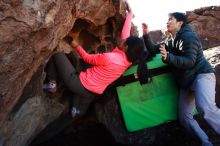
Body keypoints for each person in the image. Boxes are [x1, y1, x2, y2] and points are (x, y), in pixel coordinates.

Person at [43, 1, 149, 118]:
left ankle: (52, 83)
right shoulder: (129, 60)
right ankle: (74, 110)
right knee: (80, 90)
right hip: (92, 93)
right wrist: (130, 14)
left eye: (124, 41)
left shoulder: (111, 58)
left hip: (80, 83)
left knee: (57, 55)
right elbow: (125, 32)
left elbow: (87, 58)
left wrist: (76, 45)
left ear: (126, 47)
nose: (122, 40)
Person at [142, 12, 220, 146]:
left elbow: (190, 61)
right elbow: (153, 49)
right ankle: (206, 142)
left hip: (202, 75)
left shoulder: (189, 36)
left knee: (206, 108)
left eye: (170, 19)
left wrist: (169, 58)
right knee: (184, 117)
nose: (167, 22)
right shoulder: (172, 41)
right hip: (187, 82)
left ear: (180, 23)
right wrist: (145, 34)